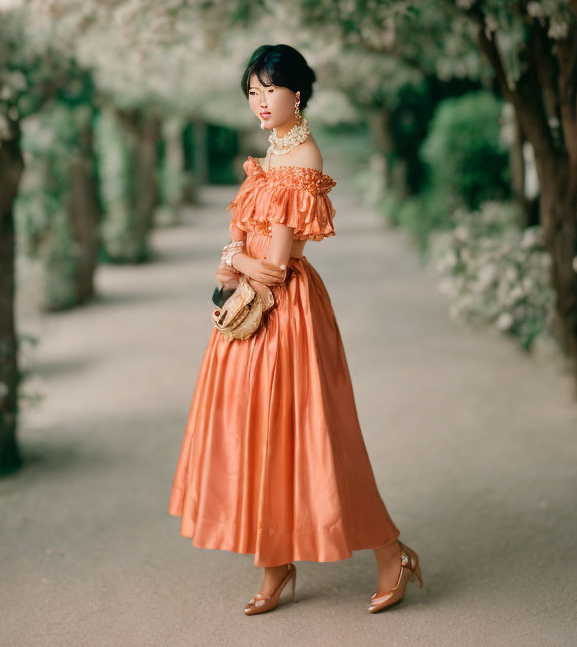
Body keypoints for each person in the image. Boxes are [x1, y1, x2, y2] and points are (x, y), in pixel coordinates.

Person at [168, 44, 423, 615]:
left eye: (269, 90)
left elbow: (276, 265)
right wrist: (236, 256)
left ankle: (390, 552)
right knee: (257, 435)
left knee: (317, 439)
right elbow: (245, 241)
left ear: (297, 92)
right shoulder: (274, 148)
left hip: (285, 314)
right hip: (252, 312)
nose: (260, 102)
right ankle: (275, 560)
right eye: (252, 93)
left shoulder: (302, 155)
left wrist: (236, 257)